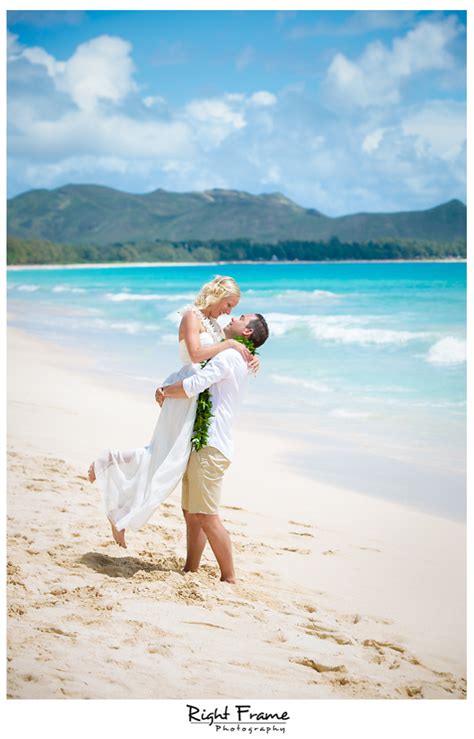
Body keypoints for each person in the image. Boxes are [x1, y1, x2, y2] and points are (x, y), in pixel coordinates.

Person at [88, 276, 259, 548]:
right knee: (164, 456)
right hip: (184, 391)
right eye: (229, 304)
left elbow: (235, 340)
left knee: (170, 460)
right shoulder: (191, 316)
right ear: (217, 296)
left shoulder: (215, 323)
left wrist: (249, 354)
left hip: (194, 395)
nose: (229, 312)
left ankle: (120, 511)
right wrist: (228, 346)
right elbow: (195, 354)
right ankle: (112, 467)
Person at [155, 313, 269, 583]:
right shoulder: (233, 352)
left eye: (241, 317)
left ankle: (229, 577)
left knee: (206, 515)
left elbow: (195, 385)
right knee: (191, 512)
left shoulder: (230, 357)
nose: (233, 317)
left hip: (212, 445)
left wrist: (164, 391)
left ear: (248, 333)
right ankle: (190, 569)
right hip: (203, 442)